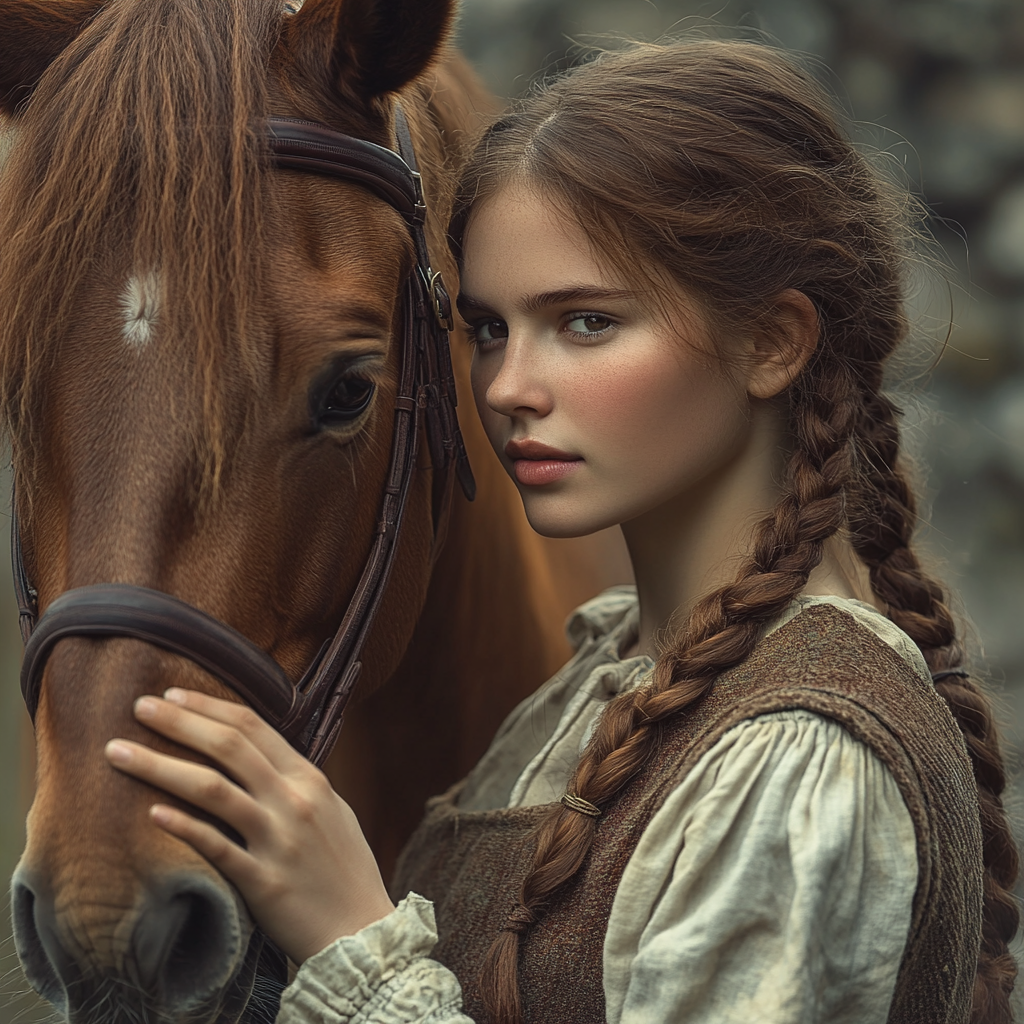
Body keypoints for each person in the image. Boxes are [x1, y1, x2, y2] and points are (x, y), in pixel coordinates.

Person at [104, 38, 1018, 1024]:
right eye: (489, 329)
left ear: (771, 341)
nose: (505, 387)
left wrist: (354, 951)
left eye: (584, 322)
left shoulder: (803, 752)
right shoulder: (598, 682)